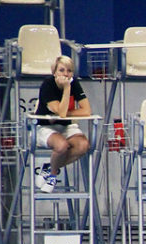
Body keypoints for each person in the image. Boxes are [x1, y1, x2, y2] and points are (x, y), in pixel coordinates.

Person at [34, 55, 92, 193]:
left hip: (66, 126)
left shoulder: (75, 83)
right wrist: (67, 89)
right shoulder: (47, 85)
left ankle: (50, 168)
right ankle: (53, 175)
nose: (66, 74)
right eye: (61, 70)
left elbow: (87, 111)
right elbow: (61, 112)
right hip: (45, 127)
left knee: (83, 145)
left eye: (69, 71)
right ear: (54, 72)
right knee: (61, 146)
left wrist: (66, 114)